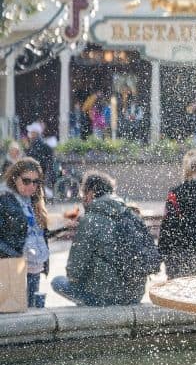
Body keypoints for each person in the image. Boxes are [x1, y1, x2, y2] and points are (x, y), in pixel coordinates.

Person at [51, 171, 159, 306]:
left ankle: (90, 308)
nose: (83, 198)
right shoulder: (131, 213)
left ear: (90, 193)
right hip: (135, 295)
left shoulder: (90, 220)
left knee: (57, 282)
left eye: (83, 194)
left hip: (104, 298)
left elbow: (74, 271)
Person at [0, 158, 49, 308]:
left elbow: (36, 232)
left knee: (31, 311)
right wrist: (15, 256)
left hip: (35, 266)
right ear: (15, 178)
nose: (32, 185)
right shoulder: (4, 199)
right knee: (14, 313)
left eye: (36, 182)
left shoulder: (34, 201)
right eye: (26, 180)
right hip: (13, 267)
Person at [25, 122, 56, 193]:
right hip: (38, 171)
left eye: (32, 132)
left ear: (36, 133)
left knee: (38, 191)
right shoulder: (36, 144)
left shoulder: (38, 145)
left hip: (39, 171)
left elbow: (46, 160)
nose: (30, 134)